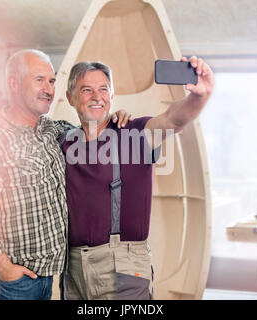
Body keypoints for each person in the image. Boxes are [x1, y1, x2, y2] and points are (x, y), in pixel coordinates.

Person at [0, 49, 131, 300]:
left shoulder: (52, 130)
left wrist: (113, 118)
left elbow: (90, 131)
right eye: (39, 80)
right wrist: (4, 267)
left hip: (49, 277)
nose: (48, 89)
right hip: (12, 282)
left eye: (51, 81)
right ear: (14, 84)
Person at [60, 56, 214, 300]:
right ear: (71, 98)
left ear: (112, 96)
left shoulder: (134, 133)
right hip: (73, 268)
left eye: (103, 89)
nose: (96, 97)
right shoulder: (63, 140)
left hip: (123, 265)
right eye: (86, 90)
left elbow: (173, 119)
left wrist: (199, 96)